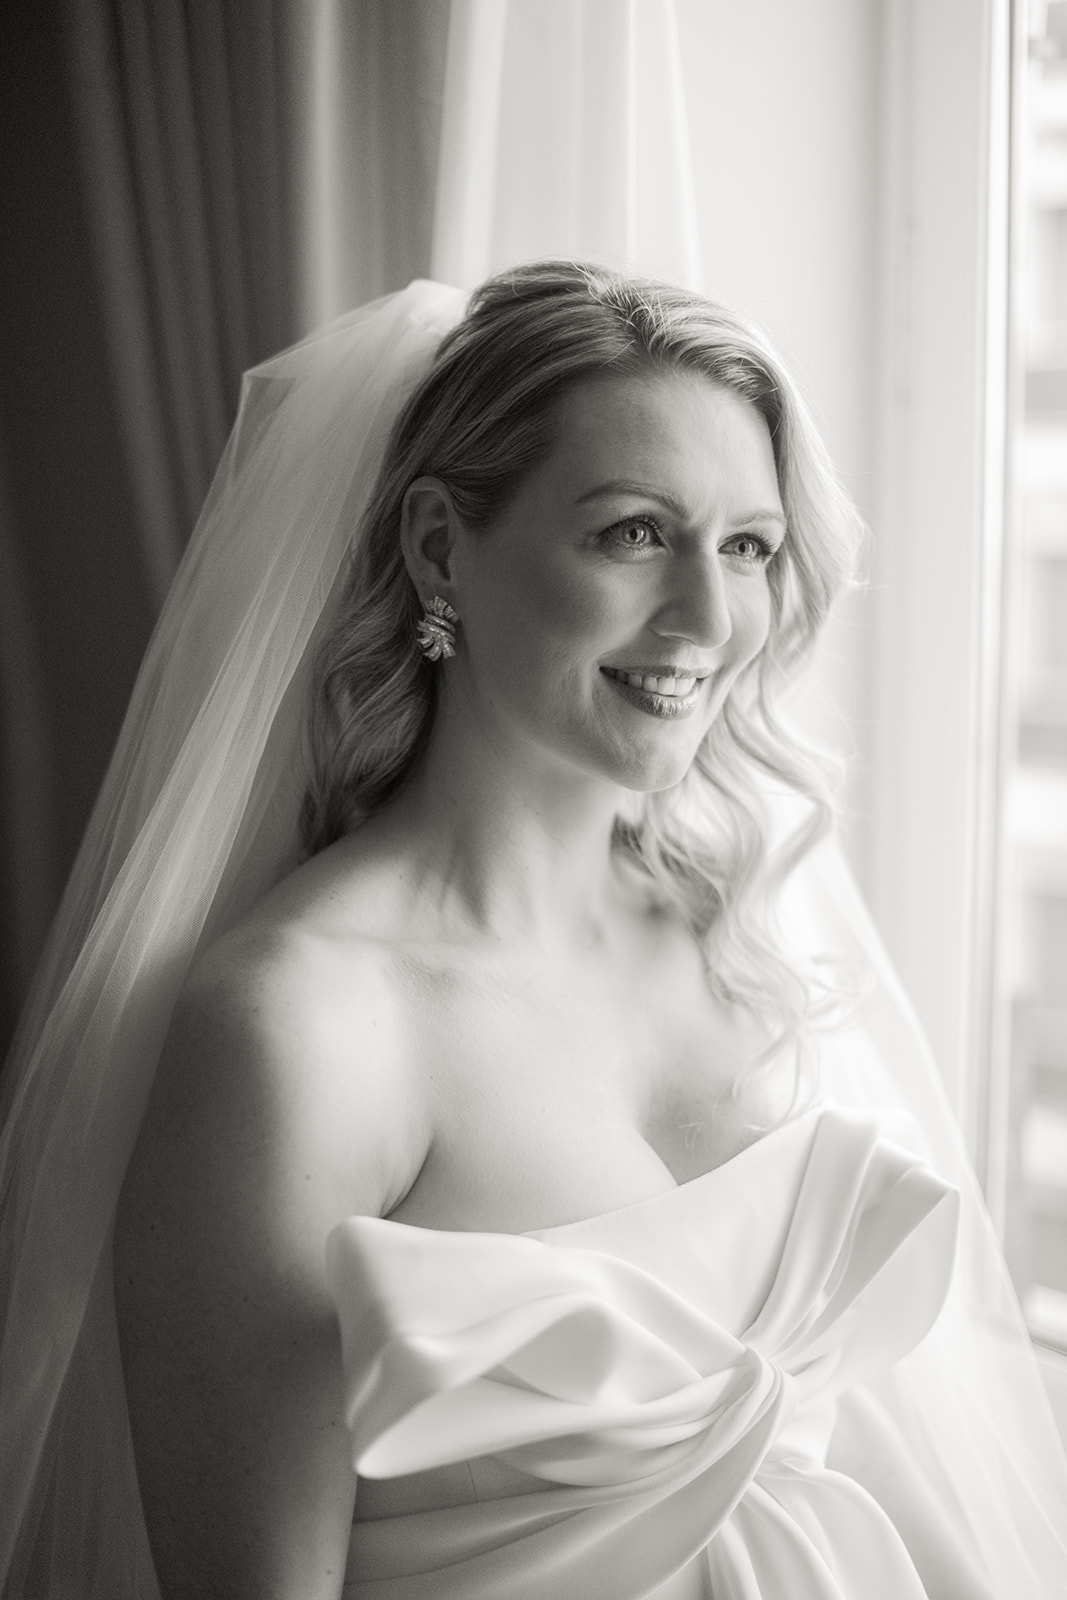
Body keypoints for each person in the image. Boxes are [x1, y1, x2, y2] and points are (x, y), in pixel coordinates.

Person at [1, 262, 1064, 1600]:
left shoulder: (732, 931)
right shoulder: (298, 1028)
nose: (710, 620)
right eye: (632, 534)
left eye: (746, 544)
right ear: (442, 546)